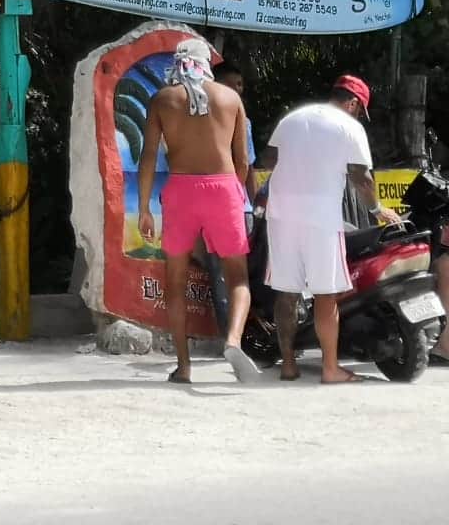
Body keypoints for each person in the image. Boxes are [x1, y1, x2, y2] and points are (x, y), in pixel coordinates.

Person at [263, 75, 403, 383]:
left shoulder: (293, 118)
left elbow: (270, 159)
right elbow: (361, 177)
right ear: (353, 103)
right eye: (359, 110)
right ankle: (330, 369)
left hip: (281, 213)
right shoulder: (350, 127)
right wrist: (376, 209)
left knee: (286, 292)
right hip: (321, 218)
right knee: (326, 294)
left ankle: (288, 365)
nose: (358, 116)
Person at [138, 39, 261, 384]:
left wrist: (146, 207)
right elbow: (241, 162)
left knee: (174, 284)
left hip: (180, 191)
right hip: (223, 189)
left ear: (178, 62)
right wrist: (232, 193)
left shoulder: (163, 99)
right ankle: (233, 341)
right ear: (206, 63)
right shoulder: (231, 98)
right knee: (237, 278)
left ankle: (184, 366)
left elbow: (148, 156)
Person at [201, 62, 259, 337]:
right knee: (236, 276)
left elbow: (249, 168)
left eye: (240, 85)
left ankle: (235, 336)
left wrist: (255, 202)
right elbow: (245, 165)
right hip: (234, 204)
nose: (237, 90)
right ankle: (238, 337)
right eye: (231, 84)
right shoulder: (239, 119)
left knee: (225, 276)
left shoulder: (198, 119)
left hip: (222, 205)